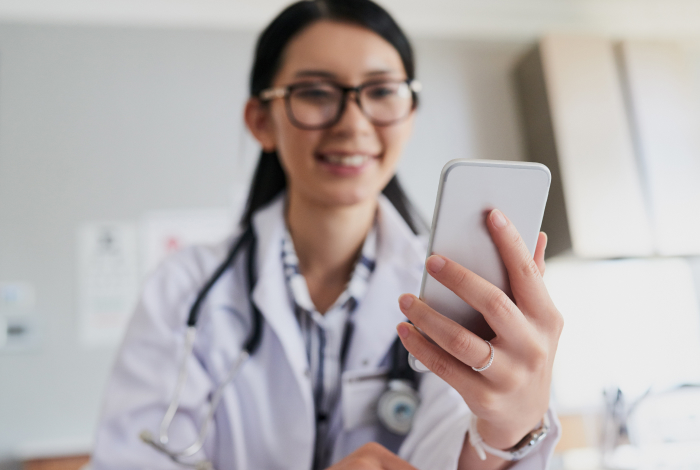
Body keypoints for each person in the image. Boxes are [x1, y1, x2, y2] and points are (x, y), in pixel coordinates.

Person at [91, 0, 564, 469]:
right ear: (262, 122)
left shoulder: (457, 289)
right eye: (316, 93)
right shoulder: (183, 288)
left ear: (410, 114)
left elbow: (460, 453)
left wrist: (510, 430)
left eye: (381, 92)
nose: (354, 123)